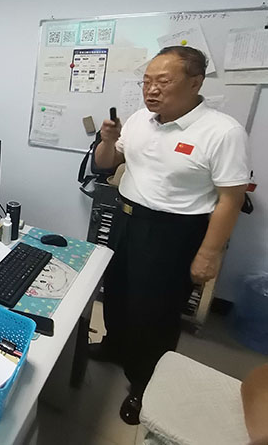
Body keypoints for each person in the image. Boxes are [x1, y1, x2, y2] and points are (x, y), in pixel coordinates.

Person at [92, 46, 250, 424]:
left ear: (195, 83)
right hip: (126, 219)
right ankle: (115, 347)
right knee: (116, 294)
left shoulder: (222, 131)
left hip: (173, 232)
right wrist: (108, 140)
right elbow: (105, 164)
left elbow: (231, 198)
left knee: (155, 313)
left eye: (163, 81)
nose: (151, 90)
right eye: (146, 81)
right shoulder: (139, 120)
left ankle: (145, 383)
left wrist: (208, 253)